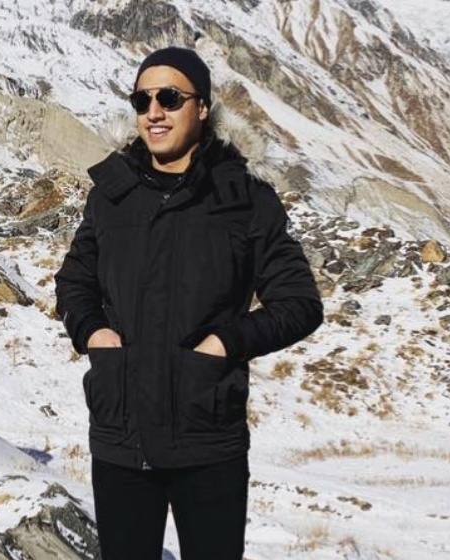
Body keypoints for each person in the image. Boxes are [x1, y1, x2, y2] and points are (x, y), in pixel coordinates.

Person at [54, 46, 324, 559]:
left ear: (202, 107)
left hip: (208, 439)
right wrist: (92, 332)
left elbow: (300, 303)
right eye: (142, 100)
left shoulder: (245, 198)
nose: (154, 112)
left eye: (170, 98)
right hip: (121, 438)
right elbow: (74, 281)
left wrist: (227, 342)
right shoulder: (111, 194)